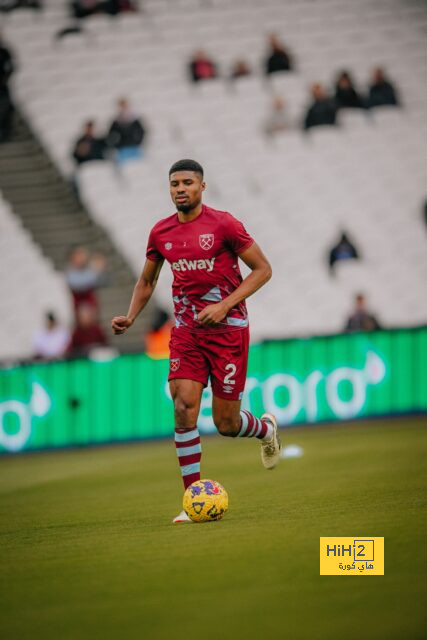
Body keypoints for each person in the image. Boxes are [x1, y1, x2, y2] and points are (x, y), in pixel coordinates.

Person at [111, 159, 282, 524]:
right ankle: (192, 500)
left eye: (187, 182)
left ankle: (265, 430)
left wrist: (224, 306)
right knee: (184, 407)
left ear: (202, 187)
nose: (180, 189)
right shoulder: (161, 233)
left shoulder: (224, 224)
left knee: (226, 424)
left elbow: (263, 269)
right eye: (174, 184)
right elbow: (147, 280)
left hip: (228, 331)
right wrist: (131, 316)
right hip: (187, 332)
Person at [65, 246, 108, 314]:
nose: (81, 258)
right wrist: (95, 272)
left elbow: (101, 281)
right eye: (79, 255)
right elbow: (76, 285)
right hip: (79, 308)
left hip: (91, 307)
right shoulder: (70, 271)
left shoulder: (89, 269)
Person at [106, 97, 146, 163]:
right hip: (121, 149)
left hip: (134, 148)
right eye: (122, 106)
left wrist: (137, 142)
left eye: (125, 106)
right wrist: (117, 145)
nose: (123, 108)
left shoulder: (135, 120)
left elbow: (142, 132)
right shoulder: (116, 122)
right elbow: (111, 135)